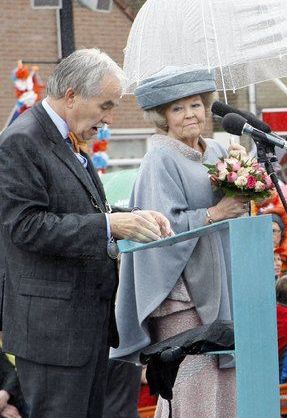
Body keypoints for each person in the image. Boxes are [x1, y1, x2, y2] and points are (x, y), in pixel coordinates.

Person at [0, 49, 172, 418]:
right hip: (53, 335)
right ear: (73, 94)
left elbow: (85, 213)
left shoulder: (66, 142)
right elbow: (25, 226)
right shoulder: (22, 141)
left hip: (85, 328)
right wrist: (110, 226)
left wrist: (135, 217)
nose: (109, 120)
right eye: (105, 106)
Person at [110, 66, 249, 418]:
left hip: (226, 286)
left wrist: (248, 191)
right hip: (183, 295)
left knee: (225, 383)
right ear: (162, 117)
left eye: (196, 105)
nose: (191, 114)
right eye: (178, 108)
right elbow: (160, 226)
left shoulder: (219, 150)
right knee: (191, 385)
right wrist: (216, 212)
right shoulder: (160, 158)